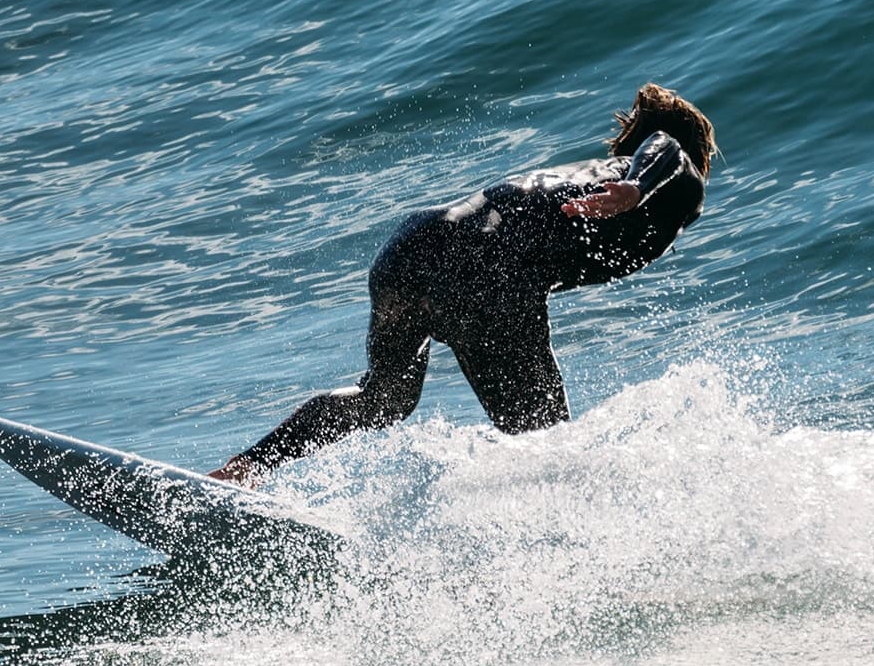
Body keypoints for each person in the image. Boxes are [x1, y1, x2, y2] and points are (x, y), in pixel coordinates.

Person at [210, 82, 716, 486]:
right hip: (483, 269)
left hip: (412, 246)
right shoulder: (670, 179)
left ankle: (245, 469)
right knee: (546, 444)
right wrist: (637, 188)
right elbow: (669, 150)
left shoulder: (593, 173)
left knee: (383, 399)